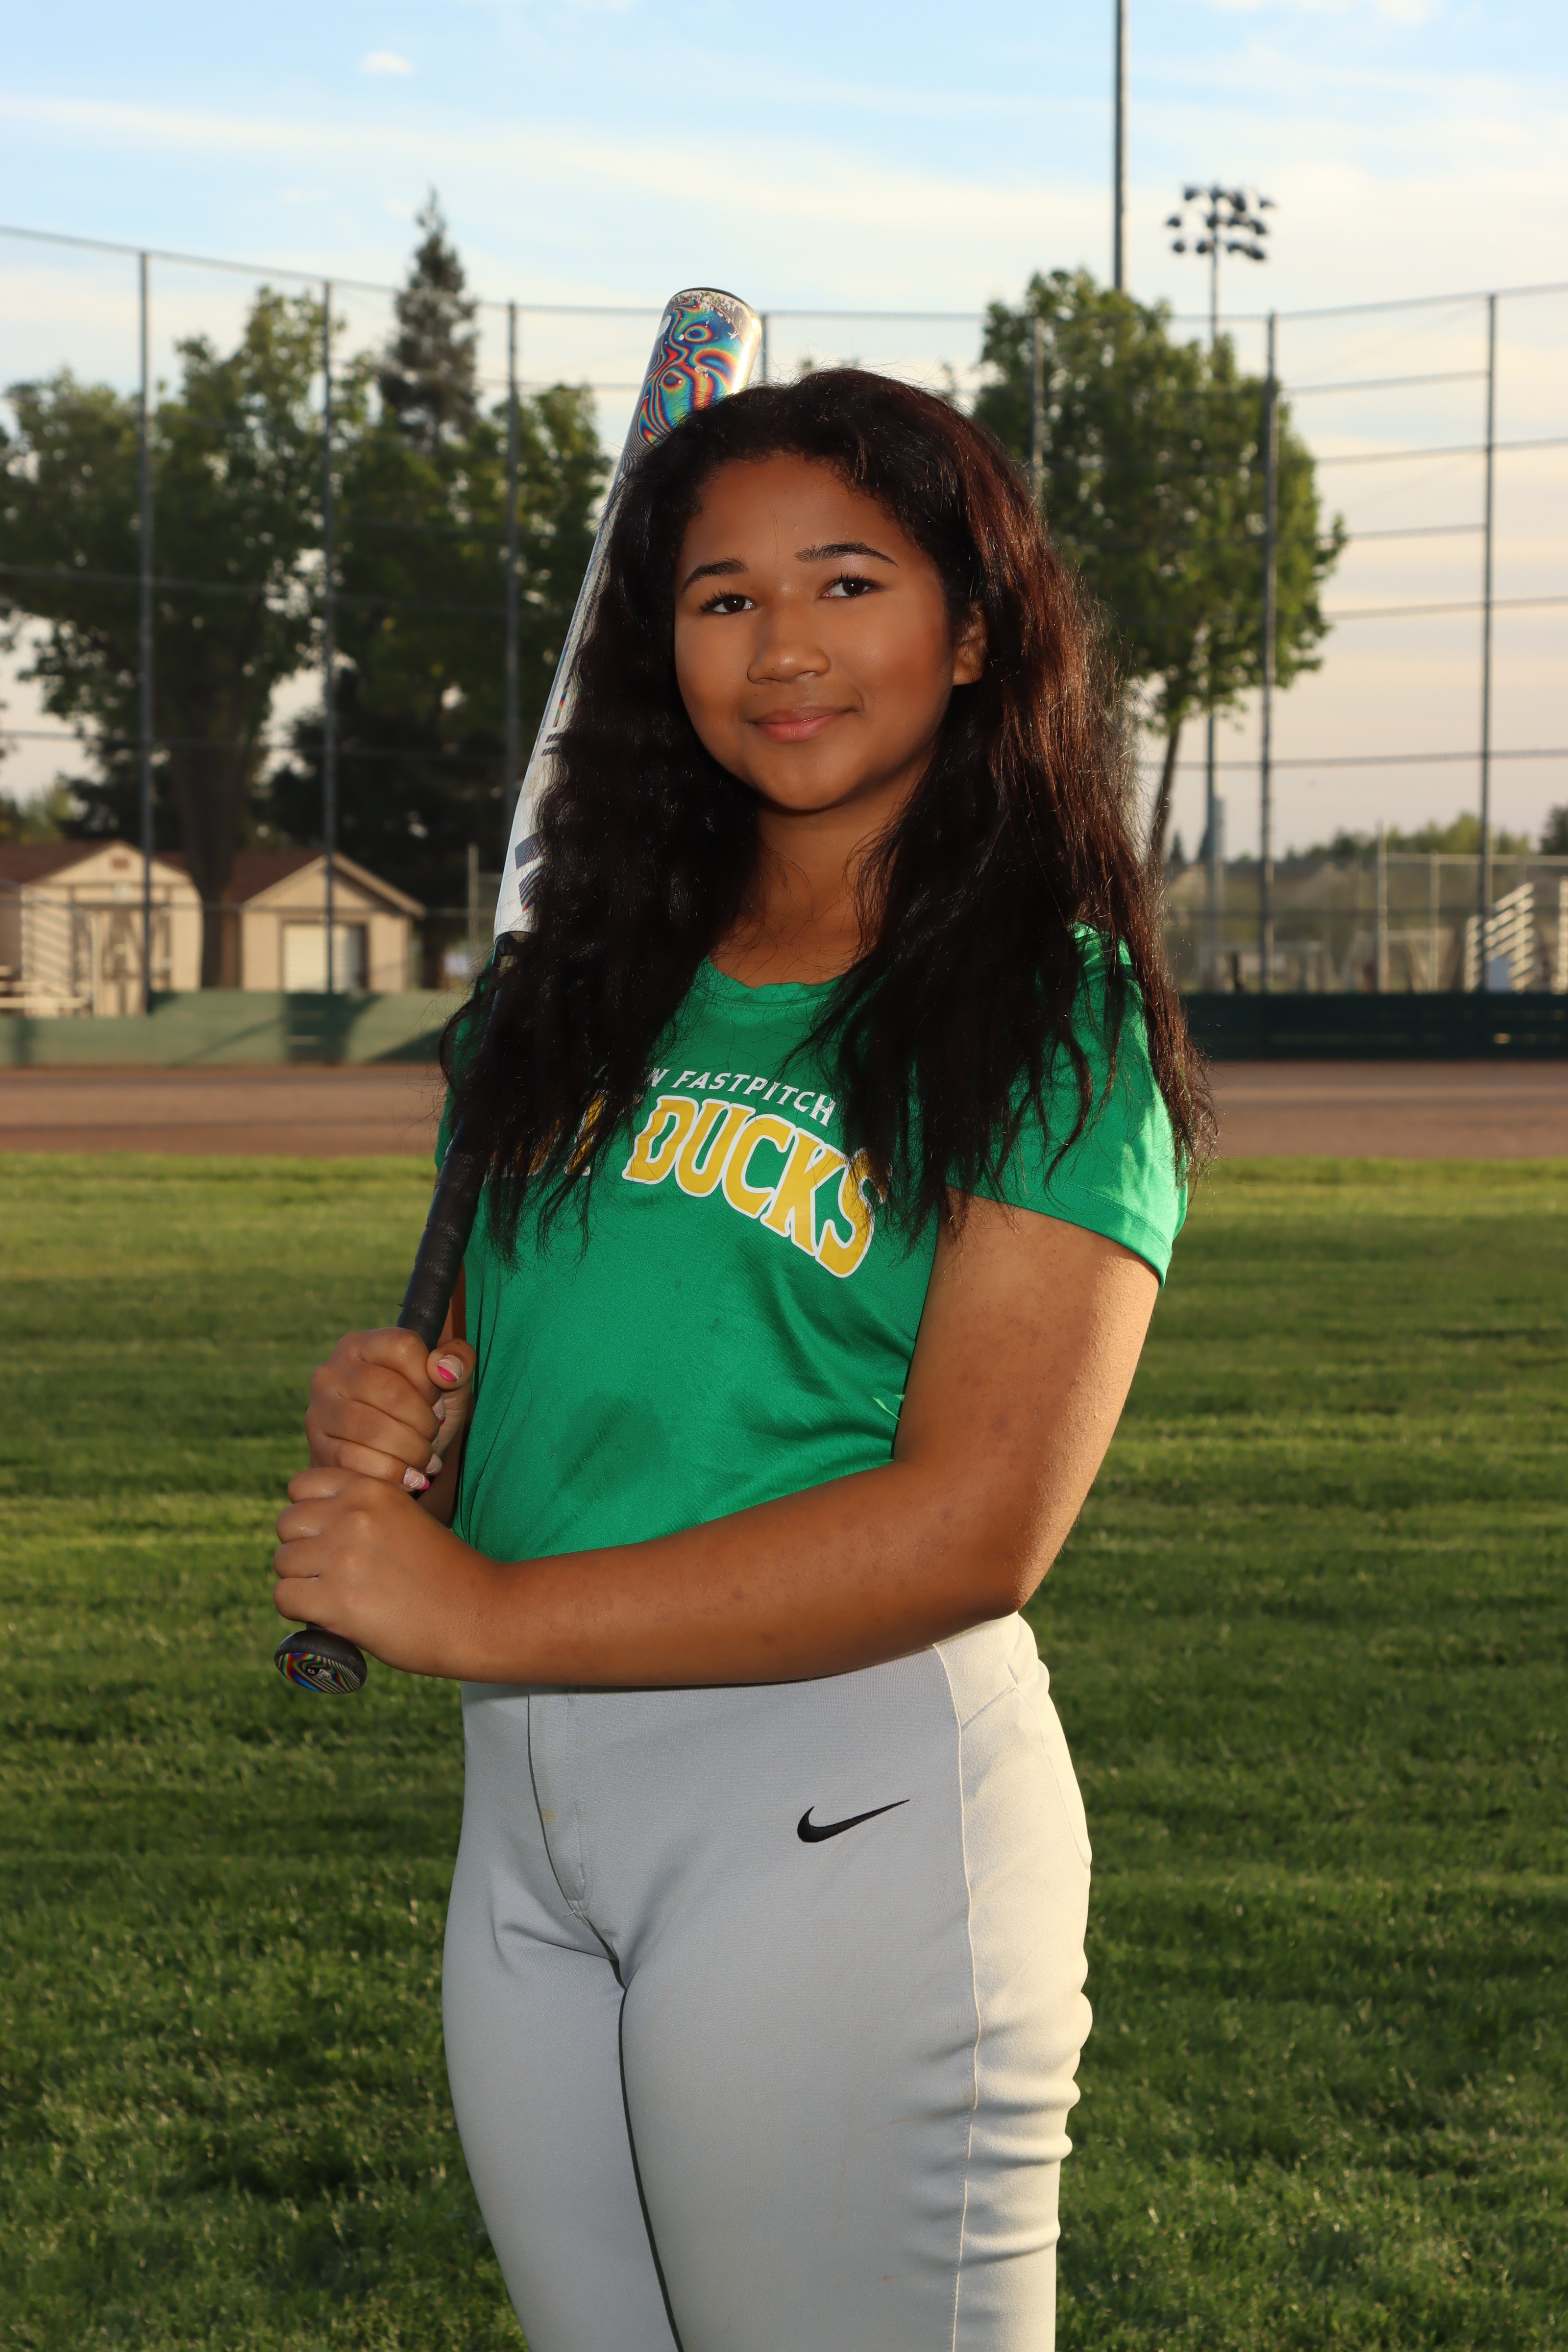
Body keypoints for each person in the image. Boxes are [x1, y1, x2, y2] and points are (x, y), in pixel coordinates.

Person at [274, 369, 1209, 2352]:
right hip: (527, 1828)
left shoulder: (1048, 1012)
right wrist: (417, 1435)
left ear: (973, 633)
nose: (782, 648)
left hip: (842, 1817)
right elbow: (555, 1400)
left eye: (847, 582)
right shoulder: (570, 1000)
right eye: (722, 598)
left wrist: (476, 1606)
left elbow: (978, 1527)